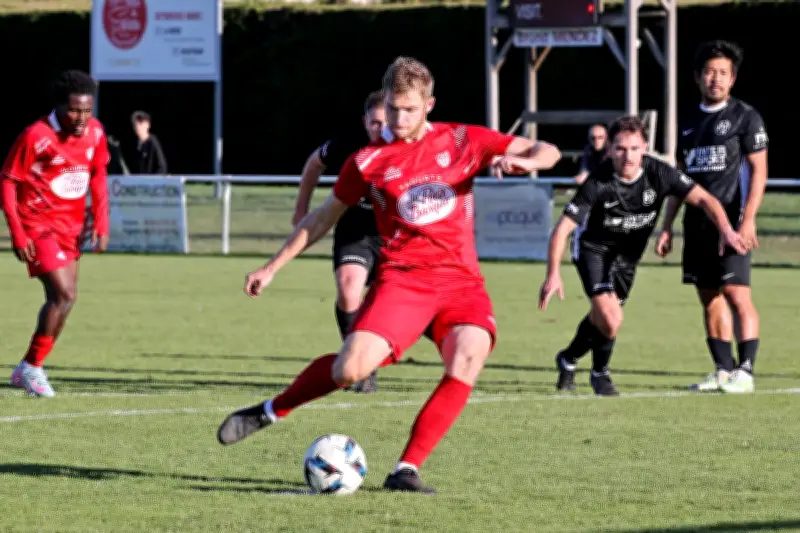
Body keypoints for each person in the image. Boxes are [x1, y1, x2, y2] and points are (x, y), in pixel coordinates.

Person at [216, 56, 562, 493]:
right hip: (404, 282)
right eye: (393, 109)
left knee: (469, 354)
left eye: (410, 109)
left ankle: (406, 469)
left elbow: (544, 149)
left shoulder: (462, 140)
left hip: (460, 283)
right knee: (350, 370)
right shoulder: (368, 161)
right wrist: (271, 267)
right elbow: (323, 219)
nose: (398, 119)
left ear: (429, 105)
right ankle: (269, 410)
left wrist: (528, 162)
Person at [540, 116, 747, 395]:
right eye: (621, 149)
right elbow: (562, 229)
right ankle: (600, 374)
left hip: (627, 259)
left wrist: (727, 231)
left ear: (645, 147)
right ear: (611, 149)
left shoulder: (659, 173)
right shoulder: (598, 181)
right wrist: (553, 273)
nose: (628, 156)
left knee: (602, 318)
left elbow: (706, 200)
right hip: (594, 251)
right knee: (611, 317)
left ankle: (568, 359)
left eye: (635, 148)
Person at [656, 40, 768, 394]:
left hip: (733, 222)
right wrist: (667, 225)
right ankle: (723, 370)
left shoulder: (746, 117)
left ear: (733, 79)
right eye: (709, 72)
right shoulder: (687, 120)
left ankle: (746, 372)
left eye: (722, 73)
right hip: (697, 224)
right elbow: (680, 177)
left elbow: (759, 171)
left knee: (736, 292)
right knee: (709, 295)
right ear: (697, 78)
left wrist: (748, 219)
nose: (715, 79)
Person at [1, 70, 111, 398]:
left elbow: (98, 175)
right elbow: (8, 180)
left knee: (63, 300)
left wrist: (102, 223)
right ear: (60, 106)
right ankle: (32, 368)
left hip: (70, 228)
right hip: (37, 225)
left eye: (87, 110)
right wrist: (18, 234)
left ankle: (29, 367)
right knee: (65, 295)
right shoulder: (36, 135)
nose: (80, 118)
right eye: (74, 110)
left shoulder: (94, 132)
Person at [292, 91, 386, 393]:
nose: (380, 130)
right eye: (374, 123)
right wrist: (300, 208)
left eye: (386, 124)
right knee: (348, 289)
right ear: (364, 121)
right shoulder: (347, 144)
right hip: (354, 232)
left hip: (394, 237)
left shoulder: (408, 147)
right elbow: (313, 163)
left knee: (388, 304)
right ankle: (358, 365)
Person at [132, 111, 168, 175]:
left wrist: (152, 181)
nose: (137, 126)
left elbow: (162, 167)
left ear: (148, 124)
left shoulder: (153, 142)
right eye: (135, 124)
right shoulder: (136, 145)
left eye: (140, 123)